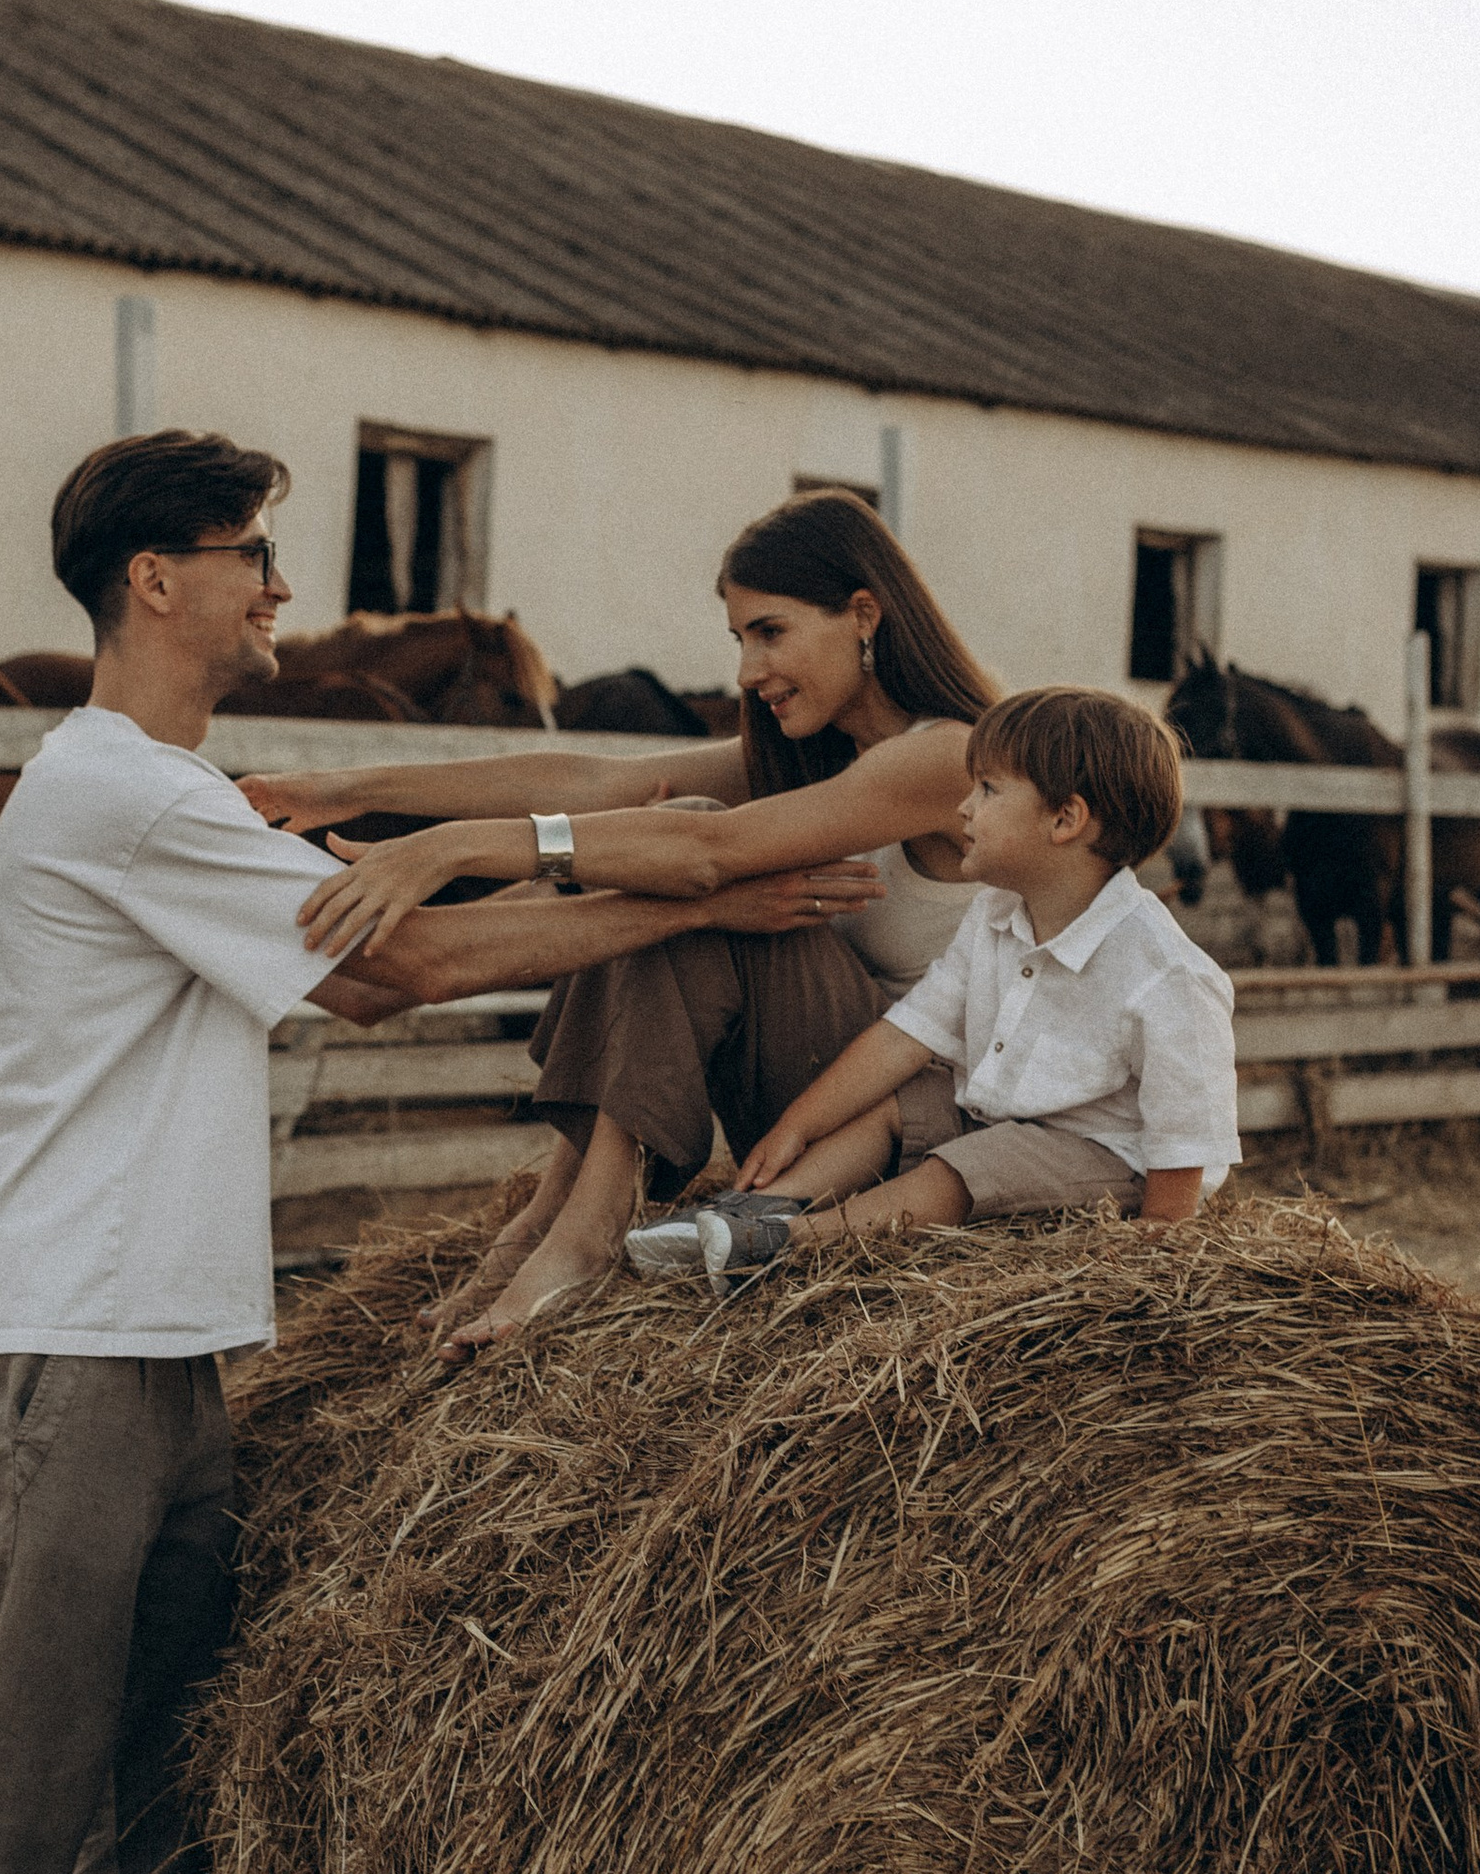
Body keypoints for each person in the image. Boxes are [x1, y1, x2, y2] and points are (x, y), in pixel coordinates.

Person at [0, 431, 846, 1874]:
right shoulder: (115, 794)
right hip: (59, 1347)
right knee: (10, 1786)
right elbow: (408, 966)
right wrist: (701, 909)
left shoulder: (177, 795)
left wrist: (700, 839)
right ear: (151, 581)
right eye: (247, 560)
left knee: (149, 1773)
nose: (274, 593)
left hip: (159, 1340)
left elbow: (459, 872)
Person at [243, 494, 995, 1345]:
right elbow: (597, 784)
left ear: (864, 614)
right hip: (808, 1109)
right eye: (740, 640)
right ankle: (556, 1219)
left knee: (684, 863)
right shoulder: (827, 753)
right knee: (660, 856)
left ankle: (578, 1230)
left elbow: (710, 852)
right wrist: (347, 790)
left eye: (770, 632)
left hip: (906, 1133)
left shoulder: (948, 754)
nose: (748, 672)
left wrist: (456, 851)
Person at [628, 685, 1238, 1286]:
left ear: (1066, 819)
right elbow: (905, 1035)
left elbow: (1186, 1138)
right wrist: (797, 1124)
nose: (963, 809)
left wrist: (1155, 1248)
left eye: (989, 790)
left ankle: (789, 1244)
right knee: (897, 1105)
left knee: (960, 1168)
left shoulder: (1167, 976)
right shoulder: (996, 913)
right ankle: (752, 1210)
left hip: (1103, 1158)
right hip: (994, 1118)